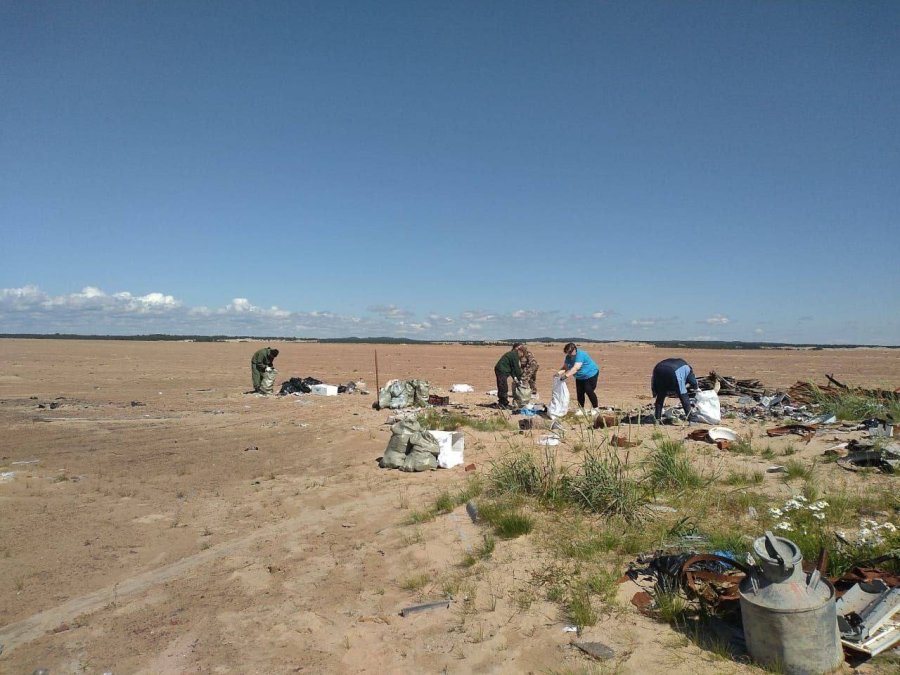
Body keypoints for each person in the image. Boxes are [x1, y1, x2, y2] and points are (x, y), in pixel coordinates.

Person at [557, 342, 600, 410]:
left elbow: (576, 368)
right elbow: (565, 368)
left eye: (570, 352)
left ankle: (595, 408)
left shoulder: (580, 354)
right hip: (579, 377)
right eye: (568, 353)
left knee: (588, 390)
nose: (569, 354)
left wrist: (565, 376)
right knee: (580, 392)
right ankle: (580, 409)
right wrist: (558, 374)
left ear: (575, 349)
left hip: (590, 374)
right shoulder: (568, 357)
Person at [494, 343, 525, 409]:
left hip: (503, 370)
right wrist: (520, 378)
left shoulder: (513, 354)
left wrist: (515, 378)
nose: (521, 356)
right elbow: (516, 368)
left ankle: (503, 403)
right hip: (501, 370)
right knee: (503, 387)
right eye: (522, 354)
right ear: (520, 351)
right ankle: (502, 403)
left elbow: (512, 369)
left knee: (503, 386)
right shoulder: (514, 355)